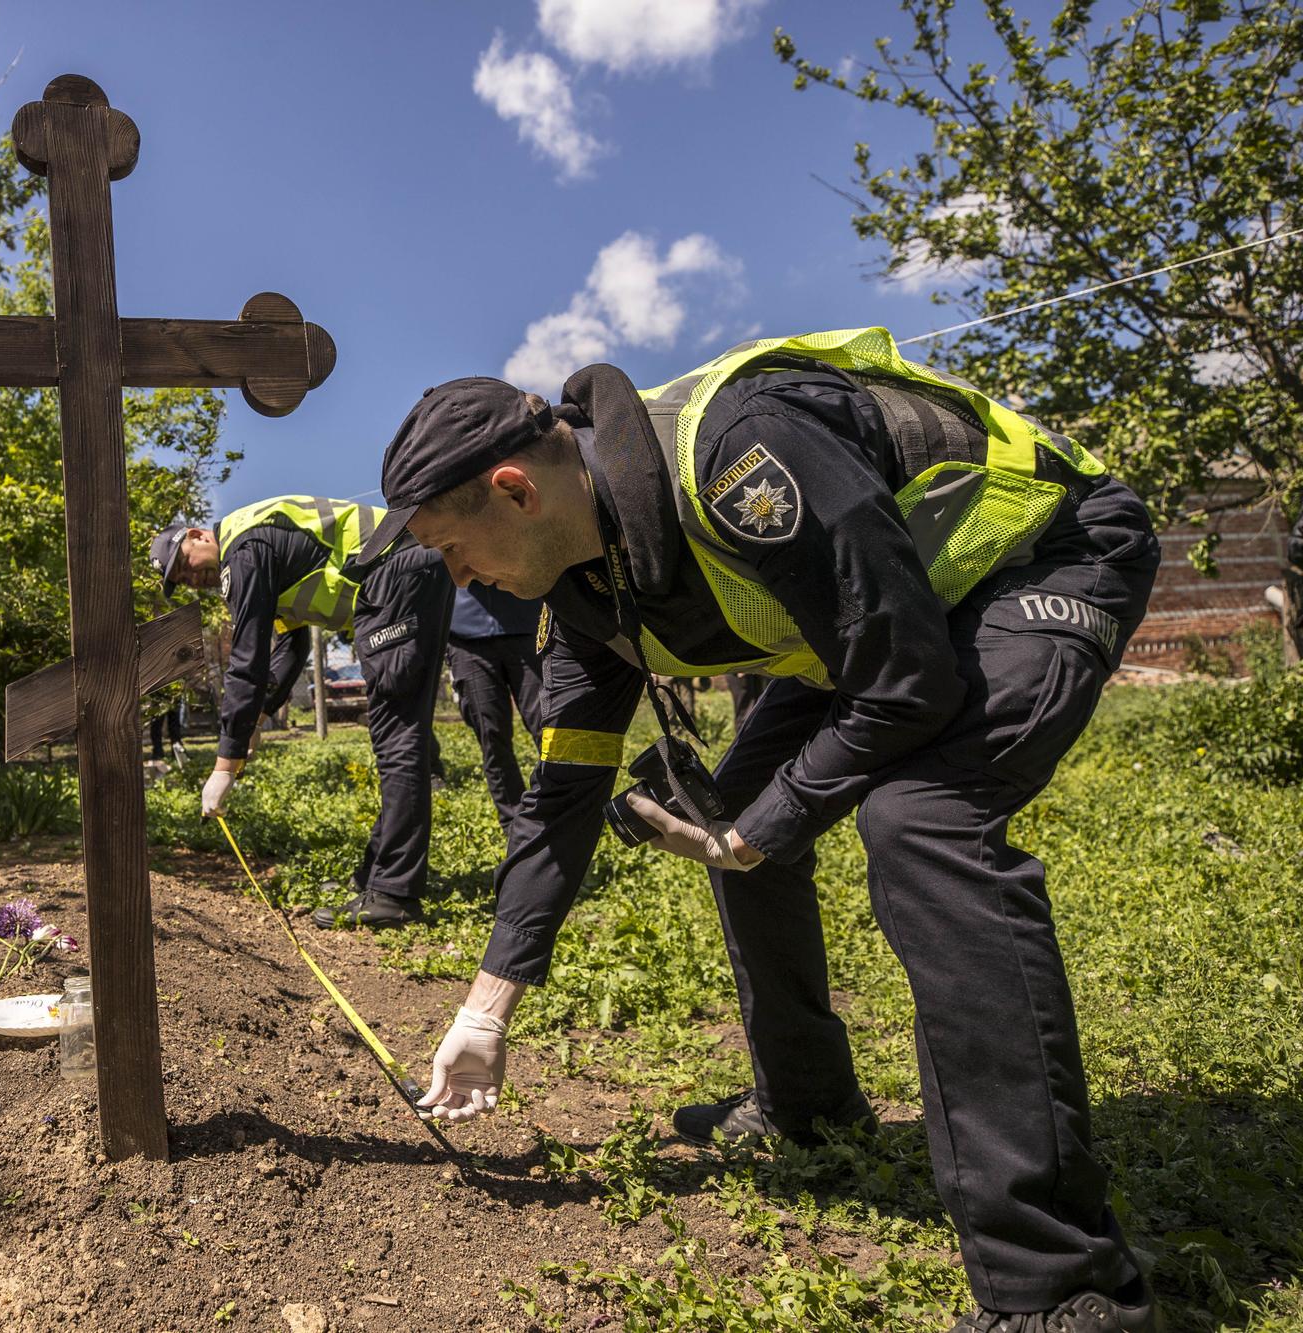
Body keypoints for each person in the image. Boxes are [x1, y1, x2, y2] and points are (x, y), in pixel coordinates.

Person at [355, 329, 1161, 1333]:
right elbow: (560, 801)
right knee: (734, 812)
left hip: (1040, 552)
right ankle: (807, 1101)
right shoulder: (585, 588)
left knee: (922, 822)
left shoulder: (738, 455)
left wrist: (763, 827)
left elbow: (908, 682)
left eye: (449, 551)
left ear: (515, 491)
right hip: (871, 629)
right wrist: (486, 1007)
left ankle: (1062, 1285)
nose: (462, 583)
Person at [150, 496, 453, 928]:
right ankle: (377, 878)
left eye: (184, 564)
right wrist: (257, 718)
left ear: (198, 535)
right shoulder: (260, 547)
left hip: (394, 574)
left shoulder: (243, 549)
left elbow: (246, 659)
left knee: (399, 740)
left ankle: (394, 894)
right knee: (399, 738)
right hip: (405, 571)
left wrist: (224, 765)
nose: (189, 578)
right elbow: (286, 651)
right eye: (180, 579)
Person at [446, 582, 544, 841]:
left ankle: (559, 809)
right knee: (492, 736)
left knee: (549, 730)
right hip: (465, 635)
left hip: (524, 620)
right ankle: (513, 824)